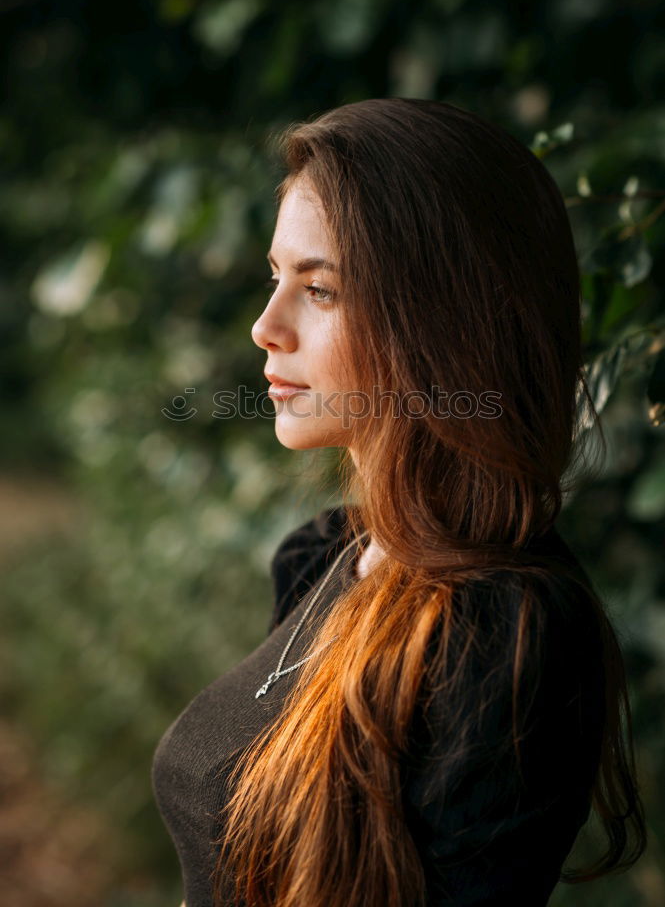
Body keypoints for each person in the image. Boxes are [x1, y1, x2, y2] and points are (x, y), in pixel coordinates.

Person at [152, 98, 646, 907]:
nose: (264, 327)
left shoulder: (506, 630)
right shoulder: (324, 556)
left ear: (441, 322)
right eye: (276, 278)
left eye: (320, 290)